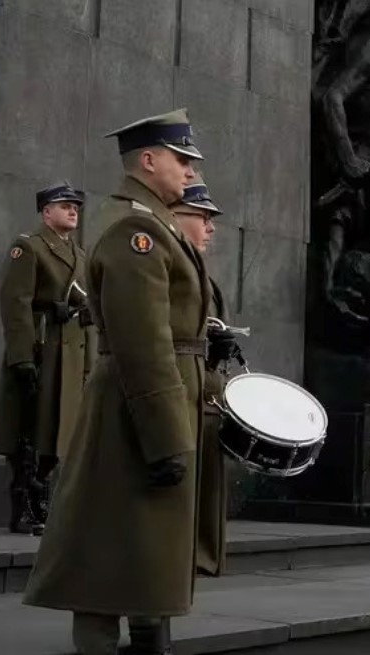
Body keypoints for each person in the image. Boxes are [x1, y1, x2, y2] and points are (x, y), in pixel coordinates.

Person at [23, 108, 211, 655]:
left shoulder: (156, 224)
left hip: (155, 406)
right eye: (182, 160)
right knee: (108, 557)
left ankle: (148, 639)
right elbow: (142, 342)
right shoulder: (137, 230)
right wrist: (167, 433)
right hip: (137, 412)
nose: (190, 172)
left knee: (146, 552)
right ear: (148, 161)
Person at [0, 181, 93, 536]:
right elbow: (15, 304)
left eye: (75, 206)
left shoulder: (80, 255)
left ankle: (42, 497)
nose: (72, 210)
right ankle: (25, 506)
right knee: (30, 430)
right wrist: (21, 358)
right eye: (64, 205)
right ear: (46, 212)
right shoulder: (29, 247)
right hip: (41, 349)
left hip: (70, 354)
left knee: (57, 431)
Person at [168, 176, 242, 578]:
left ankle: (202, 555)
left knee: (208, 484)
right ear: (176, 217)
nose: (211, 227)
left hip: (208, 388)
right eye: (202, 217)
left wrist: (221, 347)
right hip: (179, 387)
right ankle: (187, 556)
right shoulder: (165, 266)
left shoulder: (206, 277)